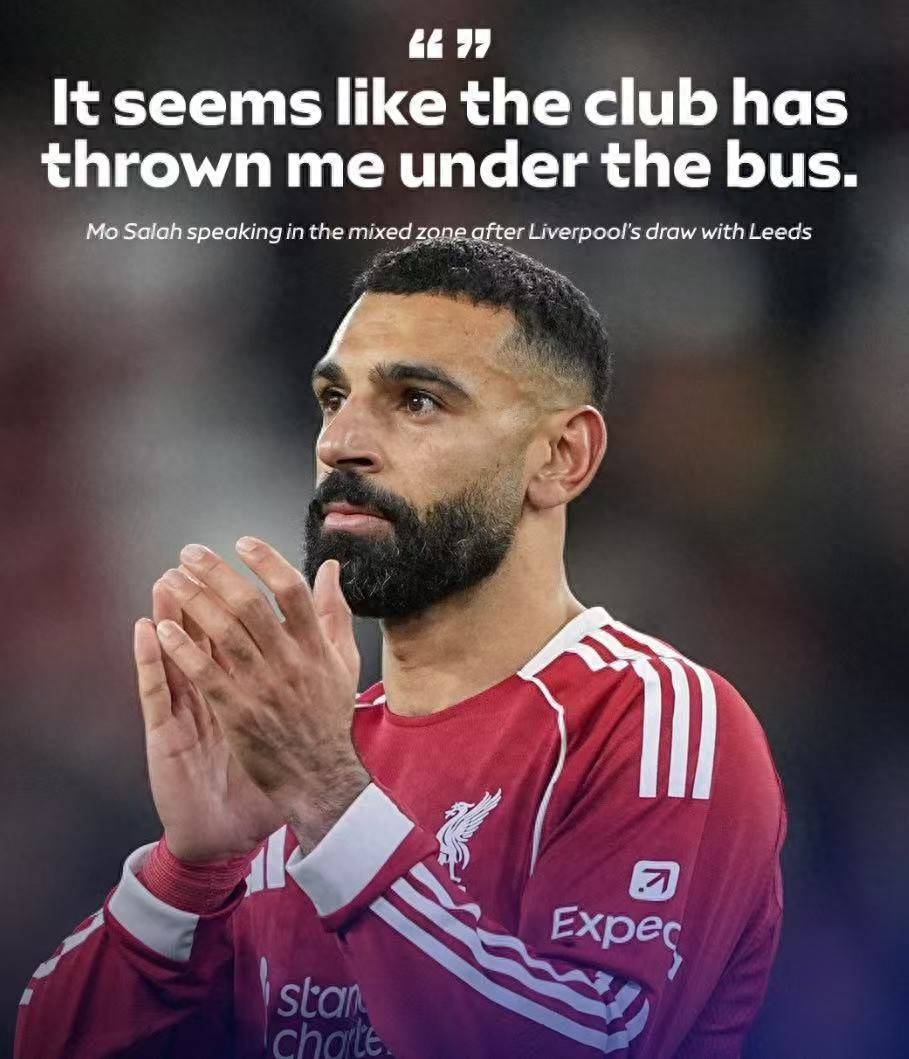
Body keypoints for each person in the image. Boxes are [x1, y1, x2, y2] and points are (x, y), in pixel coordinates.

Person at [15, 239, 786, 1058]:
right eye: (332, 397)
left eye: (416, 400)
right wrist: (193, 872)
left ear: (561, 456)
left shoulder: (650, 717)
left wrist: (330, 803)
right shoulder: (297, 757)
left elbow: (589, 1040)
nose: (340, 441)